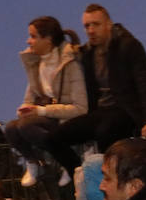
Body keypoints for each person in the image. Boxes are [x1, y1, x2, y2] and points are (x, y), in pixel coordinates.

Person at [44, 4, 146, 175]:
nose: (91, 30)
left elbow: (145, 83)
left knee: (105, 133)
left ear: (109, 24)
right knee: (53, 138)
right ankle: (82, 176)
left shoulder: (128, 46)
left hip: (125, 110)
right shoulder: (87, 53)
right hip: (99, 113)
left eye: (96, 24)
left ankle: (110, 181)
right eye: (87, 26)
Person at [5, 16, 88, 188]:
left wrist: (42, 111)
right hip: (47, 117)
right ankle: (34, 162)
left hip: (66, 119)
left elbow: (80, 108)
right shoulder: (37, 64)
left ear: (48, 40)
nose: (29, 41)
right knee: (12, 128)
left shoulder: (70, 64)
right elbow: (30, 95)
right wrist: (25, 108)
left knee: (25, 126)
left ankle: (67, 159)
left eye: (33, 36)